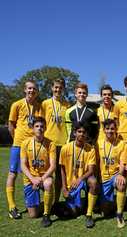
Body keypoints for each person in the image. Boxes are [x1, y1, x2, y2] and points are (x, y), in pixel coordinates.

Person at [6, 79, 42, 219]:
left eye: (34, 89)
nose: (31, 91)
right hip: (19, 144)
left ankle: (31, 202)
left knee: (29, 174)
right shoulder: (17, 104)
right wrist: (17, 140)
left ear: (37, 91)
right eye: (29, 88)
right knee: (13, 174)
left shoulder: (39, 106)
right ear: (24, 90)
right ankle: (12, 206)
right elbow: (11, 125)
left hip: (32, 146)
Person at [59, 122, 98, 228]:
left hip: (84, 180)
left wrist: (80, 179)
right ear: (74, 133)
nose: (81, 134)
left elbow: (91, 170)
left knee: (93, 182)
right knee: (74, 212)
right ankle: (75, 204)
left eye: (84, 132)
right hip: (70, 184)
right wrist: (64, 188)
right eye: (79, 131)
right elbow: (62, 169)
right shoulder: (65, 148)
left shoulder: (90, 149)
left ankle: (89, 214)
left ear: (87, 135)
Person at [20, 117, 56, 227]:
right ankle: (48, 204)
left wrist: (41, 178)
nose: (39, 128)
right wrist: (32, 179)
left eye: (42, 126)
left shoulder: (50, 144)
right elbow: (23, 165)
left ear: (45, 128)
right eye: (37, 126)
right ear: (32, 128)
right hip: (31, 178)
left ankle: (46, 214)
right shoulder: (25, 143)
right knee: (33, 215)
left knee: (48, 183)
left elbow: (53, 166)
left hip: (44, 176)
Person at [41, 78, 70, 202]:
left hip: (61, 144)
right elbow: (40, 123)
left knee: (59, 175)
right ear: (52, 88)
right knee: (43, 172)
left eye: (60, 87)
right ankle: (43, 202)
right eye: (56, 87)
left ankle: (56, 202)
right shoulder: (45, 103)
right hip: (47, 143)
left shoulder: (67, 105)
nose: (58, 90)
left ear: (63, 89)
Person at [97, 119, 127, 228]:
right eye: (108, 128)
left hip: (115, 175)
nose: (110, 131)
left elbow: (123, 163)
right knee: (105, 212)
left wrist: (120, 174)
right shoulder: (98, 143)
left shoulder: (121, 144)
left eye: (112, 128)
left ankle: (119, 214)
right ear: (104, 130)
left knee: (121, 183)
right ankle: (112, 202)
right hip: (102, 178)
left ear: (116, 130)